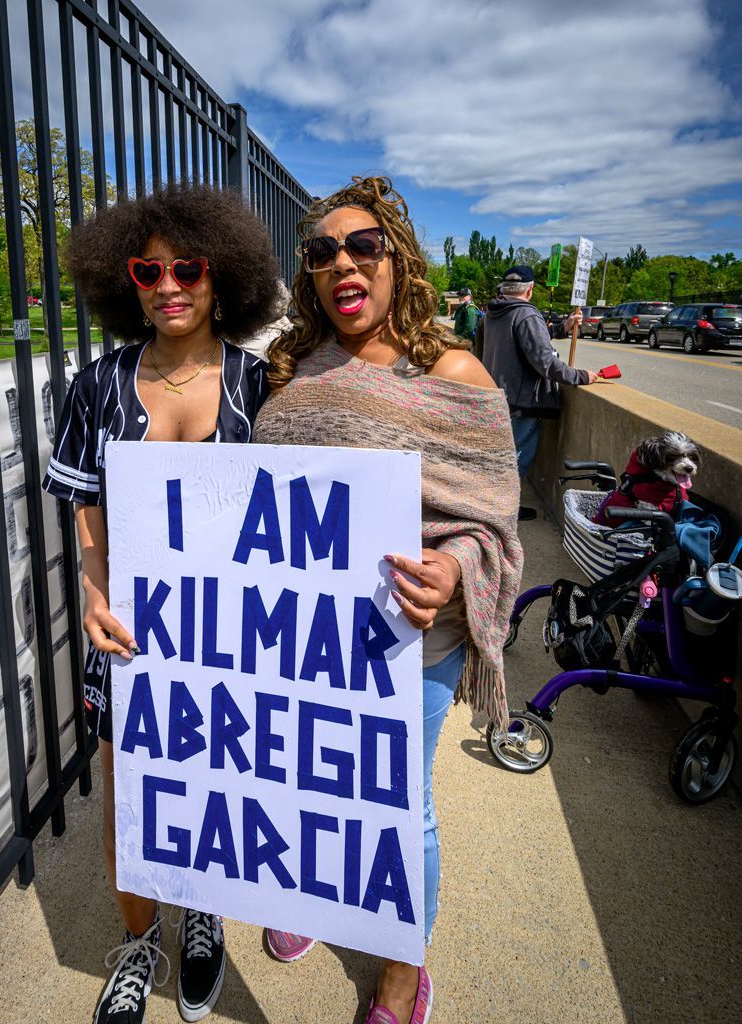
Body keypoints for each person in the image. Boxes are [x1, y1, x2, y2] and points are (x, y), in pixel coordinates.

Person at [253, 176, 523, 1024]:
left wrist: (456, 572)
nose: (342, 263)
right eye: (322, 251)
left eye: (362, 245)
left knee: (398, 806)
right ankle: (313, 898)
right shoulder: (291, 370)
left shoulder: (454, 372)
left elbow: (492, 522)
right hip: (303, 640)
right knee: (305, 784)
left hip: (416, 641)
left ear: (397, 260)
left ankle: (404, 972)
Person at [42, 183, 281, 1024]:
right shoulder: (99, 384)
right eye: (149, 269)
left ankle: (204, 910)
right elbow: (85, 505)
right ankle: (141, 944)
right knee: (130, 790)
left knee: (221, 786)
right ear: (126, 279)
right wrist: (93, 586)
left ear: (225, 277)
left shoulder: (263, 386)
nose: (169, 284)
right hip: (132, 638)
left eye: (190, 267)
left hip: (236, 643)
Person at [477, 265, 597, 521]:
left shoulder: (493, 313)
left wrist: (561, 328)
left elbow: (523, 341)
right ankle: (503, 512)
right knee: (516, 459)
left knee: (499, 457)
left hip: (496, 396)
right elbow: (544, 361)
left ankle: (491, 506)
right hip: (522, 402)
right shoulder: (526, 315)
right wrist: (580, 376)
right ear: (530, 289)